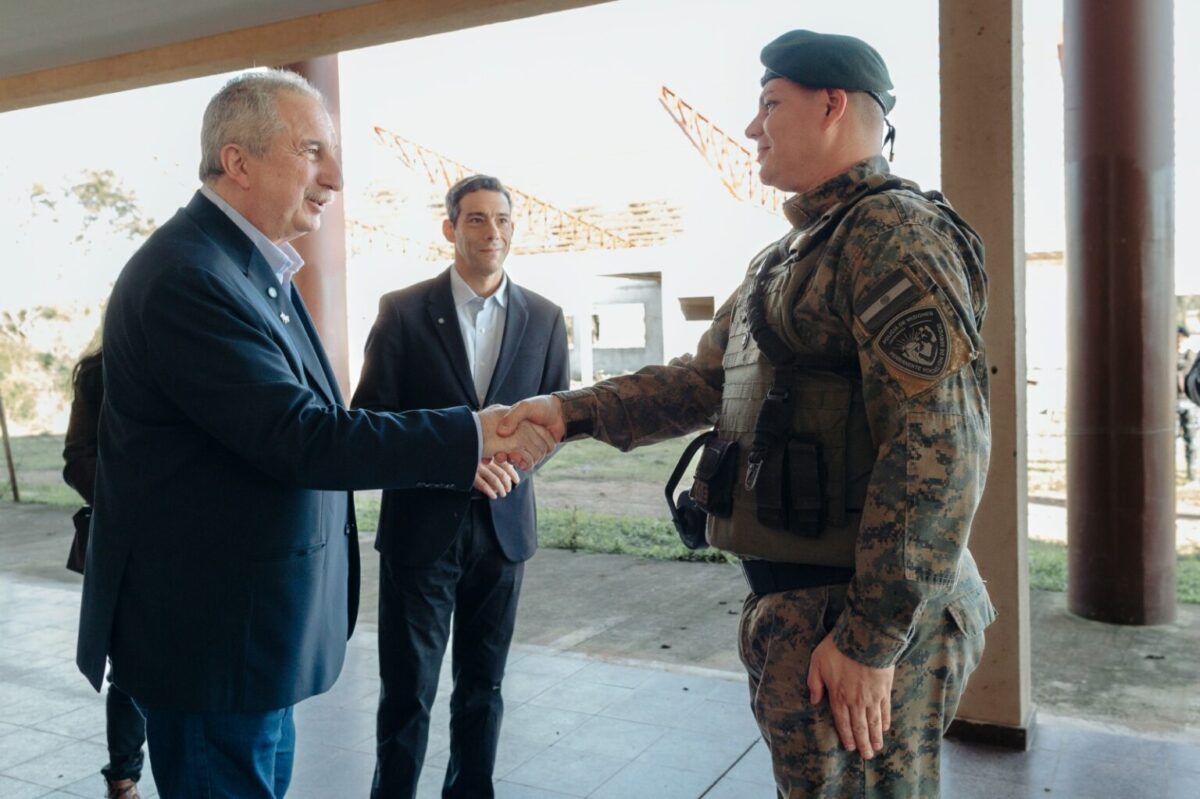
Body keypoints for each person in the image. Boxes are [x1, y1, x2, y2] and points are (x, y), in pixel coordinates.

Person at [500, 29, 996, 798]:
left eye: (769, 104)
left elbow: (939, 446)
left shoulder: (893, 233)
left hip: (855, 618)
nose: (751, 126)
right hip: (800, 611)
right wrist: (566, 412)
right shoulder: (786, 257)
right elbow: (702, 381)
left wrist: (870, 641)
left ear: (833, 104)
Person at [75, 69, 554, 799]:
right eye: (312, 150)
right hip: (212, 644)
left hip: (250, 637)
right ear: (238, 161)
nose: (334, 175)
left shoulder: (247, 267)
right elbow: (302, 435)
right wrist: (469, 435)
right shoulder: (188, 276)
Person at [352, 174, 570, 798]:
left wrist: (514, 468)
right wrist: (451, 463)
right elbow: (372, 422)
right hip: (421, 530)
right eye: (475, 219)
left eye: (501, 219)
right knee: (408, 693)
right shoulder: (403, 311)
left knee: (484, 689)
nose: (491, 232)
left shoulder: (546, 319)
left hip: (503, 534)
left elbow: (555, 426)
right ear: (450, 229)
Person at [62, 349, 147, 799]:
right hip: (124, 543)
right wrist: (135, 504)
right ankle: (123, 775)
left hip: (194, 546)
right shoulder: (98, 372)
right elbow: (77, 457)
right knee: (131, 664)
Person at [1179, 325, 1197, 482]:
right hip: (1174, 402)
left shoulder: (1192, 356)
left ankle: (1192, 472)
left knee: (1191, 440)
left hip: (1189, 403)